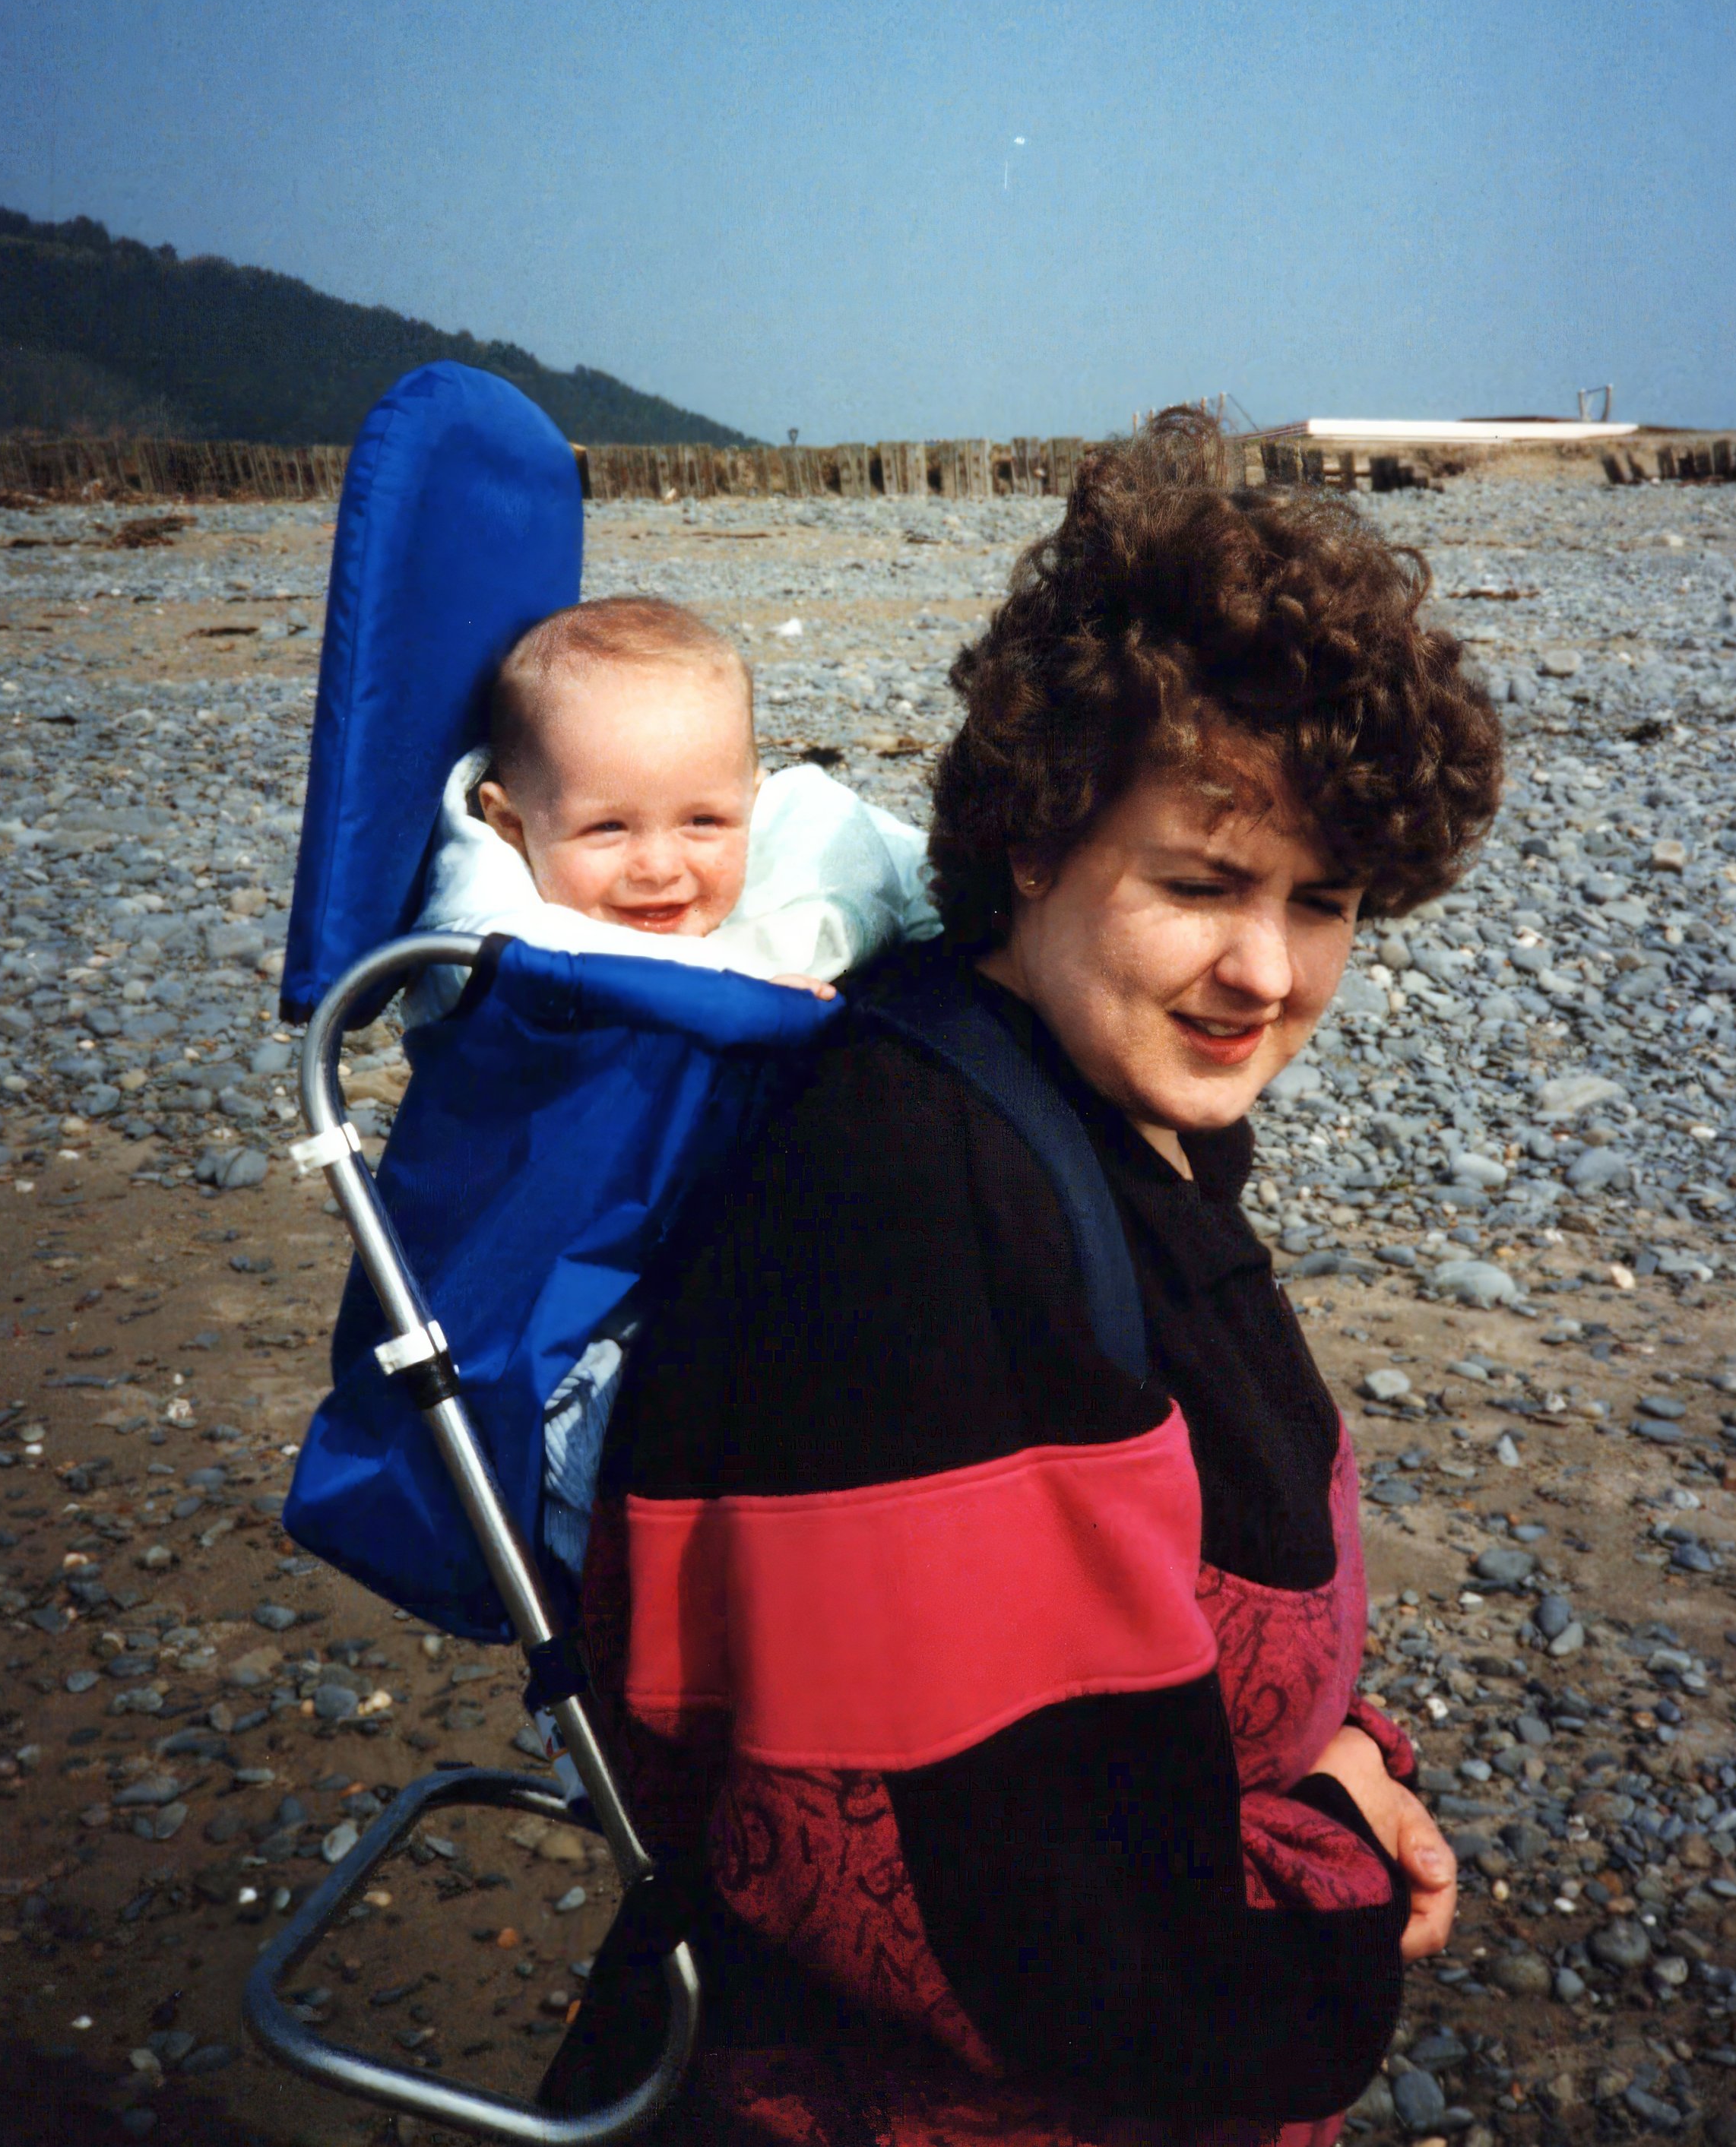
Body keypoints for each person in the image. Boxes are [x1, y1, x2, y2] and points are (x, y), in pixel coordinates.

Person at [549, 418, 1503, 2146]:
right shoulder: (927, 1205)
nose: (1266, 973)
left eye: (1328, 899)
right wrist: (1343, 1844)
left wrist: (1345, 1752)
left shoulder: (1103, 1106)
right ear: (1037, 837)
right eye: (1201, 882)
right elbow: (1036, 1926)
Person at [409, 595, 940, 1015]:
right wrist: (741, 989)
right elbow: (541, 963)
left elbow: (915, 861)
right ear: (509, 824)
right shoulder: (489, 914)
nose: (660, 869)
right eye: (607, 828)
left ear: (751, 805)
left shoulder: (788, 816)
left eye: (703, 821)